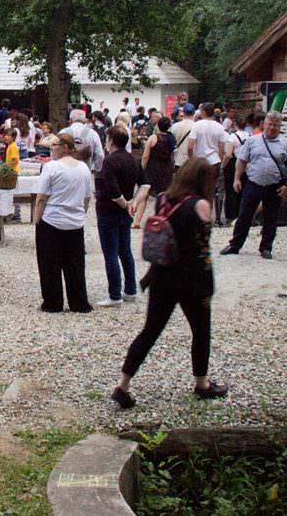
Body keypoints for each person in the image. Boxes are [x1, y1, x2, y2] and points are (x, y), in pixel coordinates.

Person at [110, 158, 226, 409]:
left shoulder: (163, 199)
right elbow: (202, 251)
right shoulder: (201, 206)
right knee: (201, 331)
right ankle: (202, 384)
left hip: (161, 273)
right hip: (190, 279)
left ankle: (123, 384)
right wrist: (208, 287)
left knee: (150, 331)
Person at [220, 111, 287, 259]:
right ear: (264, 124)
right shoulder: (252, 141)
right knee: (244, 215)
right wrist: (237, 179)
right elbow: (242, 160)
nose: (272, 128)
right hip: (253, 183)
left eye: (275, 125)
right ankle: (235, 244)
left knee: (271, 217)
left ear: (280, 127)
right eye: (269, 124)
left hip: (275, 185)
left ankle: (266, 247)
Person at [33, 134, 94, 313]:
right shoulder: (83, 168)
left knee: (49, 263)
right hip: (75, 220)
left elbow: (42, 197)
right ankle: (78, 301)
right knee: (75, 264)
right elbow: (87, 196)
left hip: (52, 219)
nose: (52, 148)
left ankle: (52, 302)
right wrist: (81, 212)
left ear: (66, 147)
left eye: (55, 145)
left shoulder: (51, 167)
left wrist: (37, 219)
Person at [95, 126, 150, 307]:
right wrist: (134, 202)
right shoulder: (133, 160)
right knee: (125, 251)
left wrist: (127, 204)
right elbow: (145, 185)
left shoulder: (109, 161)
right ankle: (130, 290)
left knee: (111, 253)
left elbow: (112, 190)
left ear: (110, 140)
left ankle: (114, 294)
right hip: (124, 212)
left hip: (109, 210)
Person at [187, 102, 227, 219]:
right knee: (211, 189)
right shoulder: (219, 126)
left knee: (197, 188)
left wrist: (191, 157)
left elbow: (190, 145)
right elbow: (222, 144)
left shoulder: (197, 125)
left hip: (200, 160)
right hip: (214, 160)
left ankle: (197, 213)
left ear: (203, 112)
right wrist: (219, 157)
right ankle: (208, 214)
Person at [135, 116, 175, 228]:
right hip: (166, 168)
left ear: (158, 125)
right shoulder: (171, 138)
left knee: (145, 195)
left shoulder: (153, 138)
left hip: (153, 168)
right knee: (164, 194)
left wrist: (142, 168)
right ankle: (162, 218)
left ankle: (137, 221)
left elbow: (146, 155)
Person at [222, 115, 250, 225]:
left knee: (231, 192)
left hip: (234, 166)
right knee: (244, 192)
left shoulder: (232, 137)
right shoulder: (250, 136)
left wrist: (223, 166)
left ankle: (230, 216)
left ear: (235, 125)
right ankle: (241, 215)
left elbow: (229, 154)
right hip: (247, 166)